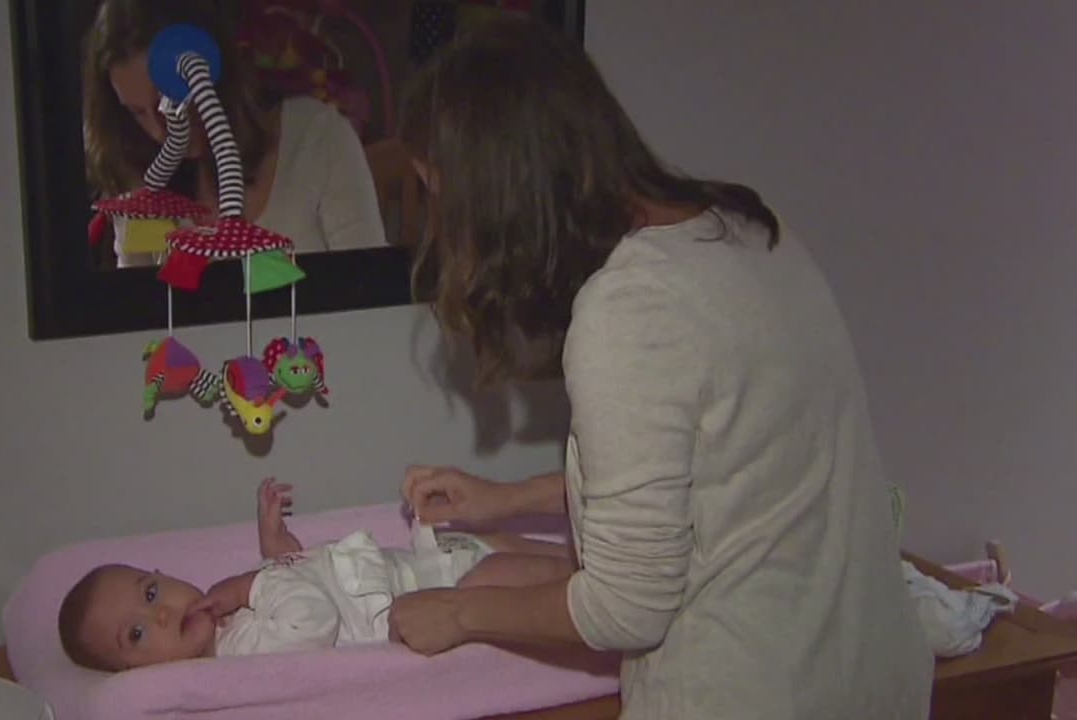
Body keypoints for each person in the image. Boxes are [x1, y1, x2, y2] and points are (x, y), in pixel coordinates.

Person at [387, 18, 934, 719]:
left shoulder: (630, 308)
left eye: (441, 197)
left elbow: (626, 607)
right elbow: (718, 472)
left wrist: (461, 613)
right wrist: (510, 499)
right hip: (872, 677)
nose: (442, 230)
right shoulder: (744, 231)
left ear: (499, 194)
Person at [57, 479, 572, 672]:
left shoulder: (228, 612)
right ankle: (600, 587)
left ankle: (594, 559)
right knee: (511, 574)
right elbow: (312, 620)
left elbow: (302, 573)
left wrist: (275, 546)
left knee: (504, 545)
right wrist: (253, 583)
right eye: (138, 634)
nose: (162, 613)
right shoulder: (238, 655)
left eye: (151, 592)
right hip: (441, 597)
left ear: (163, 574)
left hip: (421, 562)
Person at [82, 0, 387, 265]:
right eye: (137, 112)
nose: (159, 132)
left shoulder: (318, 138)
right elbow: (137, 309)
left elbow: (370, 294)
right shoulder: (141, 186)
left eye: (169, 100)